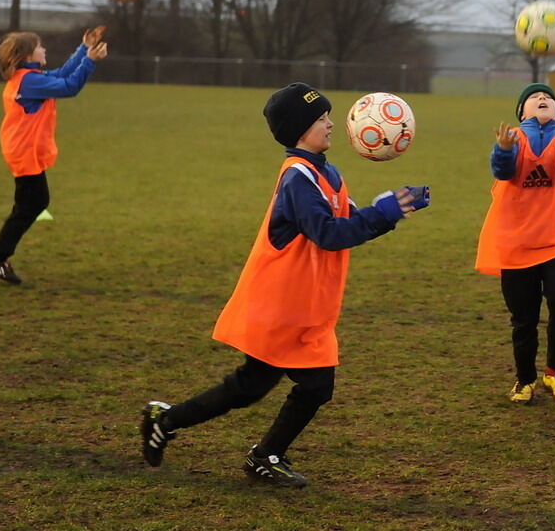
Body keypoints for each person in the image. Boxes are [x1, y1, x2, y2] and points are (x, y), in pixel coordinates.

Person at [140, 82, 429, 487]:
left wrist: (392, 208)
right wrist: (381, 214)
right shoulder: (298, 178)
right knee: (274, 386)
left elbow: (347, 225)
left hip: (306, 308)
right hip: (277, 305)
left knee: (274, 386)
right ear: (299, 129)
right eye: (322, 118)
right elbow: (328, 233)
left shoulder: (326, 172)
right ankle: (229, 442)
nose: (332, 124)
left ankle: (183, 426)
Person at [475, 83, 555, 405]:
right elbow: (504, 169)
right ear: (522, 112)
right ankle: (524, 378)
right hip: (516, 242)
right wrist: (501, 148)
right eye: (534, 98)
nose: (542, 99)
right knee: (523, 318)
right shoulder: (512, 137)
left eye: (548, 98)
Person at [0, 27, 108, 284]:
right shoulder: (29, 81)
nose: (44, 50)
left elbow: (62, 75)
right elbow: (70, 86)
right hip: (24, 151)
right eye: (40, 46)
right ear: (28, 54)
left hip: (22, 149)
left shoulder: (29, 77)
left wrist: (84, 49)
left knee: (28, 203)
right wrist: (91, 61)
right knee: (34, 202)